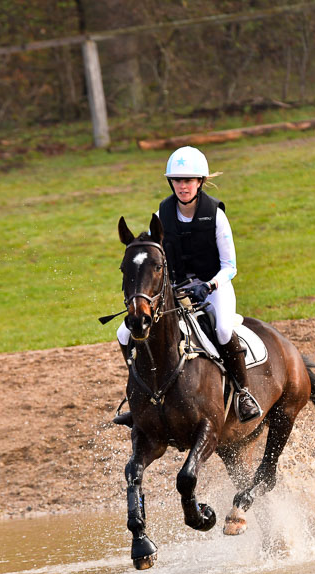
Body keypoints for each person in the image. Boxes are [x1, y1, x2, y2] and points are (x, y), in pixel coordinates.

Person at [115, 145, 261, 425]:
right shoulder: (162, 214)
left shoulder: (215, 215)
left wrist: (208, 286)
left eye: (189, 180)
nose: (183, 186)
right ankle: (139, 397)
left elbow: (230, 266)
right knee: (124, 333)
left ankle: (243, 393)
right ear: (172, 183)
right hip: (175, 291)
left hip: (213, 288)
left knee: (221, 329)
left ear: (200, 182)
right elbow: (151, 252)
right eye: (178, 181)